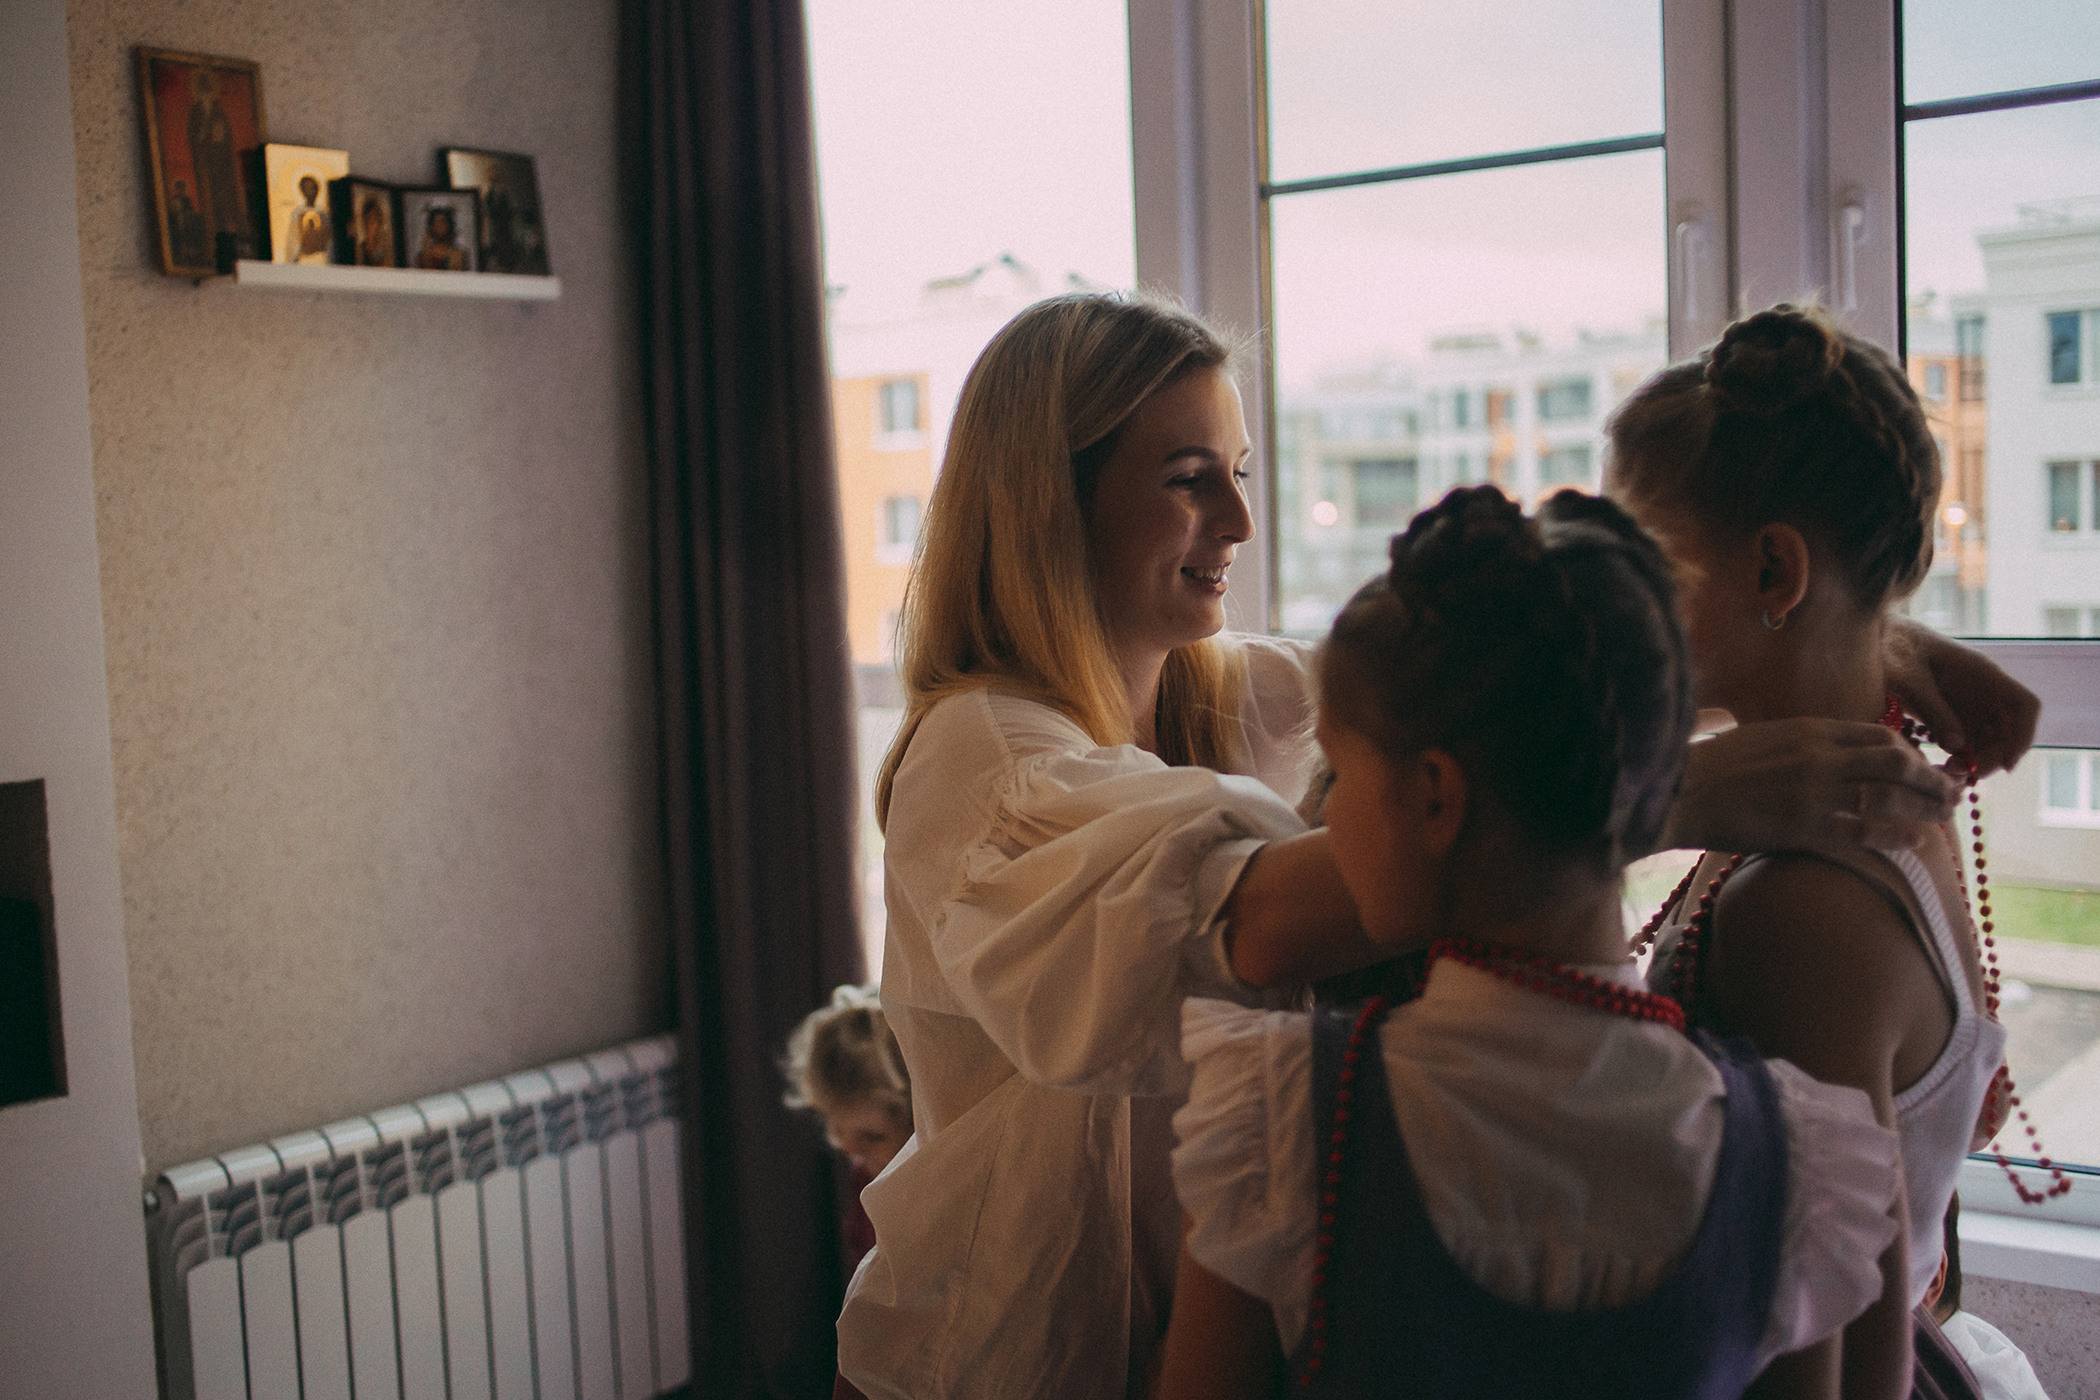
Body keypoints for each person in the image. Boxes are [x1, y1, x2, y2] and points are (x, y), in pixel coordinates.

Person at [834, 291, 2032, 1400]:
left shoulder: (1241, 694)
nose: (1241, 519)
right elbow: (1222, 922)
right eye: (1193, 479)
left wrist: (1863, 628)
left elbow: (1516, 670)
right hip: (1013, 1359)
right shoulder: (978, 762)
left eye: (1240, 473)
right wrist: (1651, 799)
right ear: (1050, 497)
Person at [1157, 486, 1904, 1400]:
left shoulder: (1289, 1125)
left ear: (1435, 795)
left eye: (1345, 772)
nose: (1324, 811)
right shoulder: (1790, 1167)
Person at [1613, 305, 2017, 1400]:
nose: (1617, 605)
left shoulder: (1802, 910)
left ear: (1773, 572)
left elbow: (1838, 1333)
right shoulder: (1856, 800)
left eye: (1642, 559)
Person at [282, 175, 331, 265]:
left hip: (321, 258)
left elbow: (328, 241)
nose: (311, 191)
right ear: (302, 191)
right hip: (303, 259)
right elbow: (293, 240)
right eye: (307, 188)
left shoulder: (324, 214)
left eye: (313, 188)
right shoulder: (297, 213)